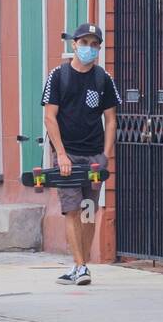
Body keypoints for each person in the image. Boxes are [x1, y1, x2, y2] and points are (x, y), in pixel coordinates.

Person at [42, 23, 119, 286]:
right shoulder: (58, 75)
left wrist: (105, 156)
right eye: (84, 43)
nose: (89, 48)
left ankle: (81, 265)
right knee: (72, 209)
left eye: (94, 44)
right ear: (74, 44)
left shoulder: (102, 79)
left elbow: (110, 120)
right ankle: (79, 265)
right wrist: (60, 155)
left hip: (94, 155)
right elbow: (50, 118)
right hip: (69, 155)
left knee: (88, 210)